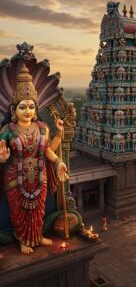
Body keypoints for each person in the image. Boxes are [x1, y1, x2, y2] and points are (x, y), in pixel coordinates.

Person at [0, 65, 68, 255]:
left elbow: (48, 150)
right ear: (14, 109)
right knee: (19, 211)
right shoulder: (7, 131)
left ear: (36, 108)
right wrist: (1, 157)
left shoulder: (43, 128)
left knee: (38, 210)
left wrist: (58, 161)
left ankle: (37, 236)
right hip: (16, 177)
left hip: (40, 176)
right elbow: (1, 151)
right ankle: (22, 240)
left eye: (31, 106)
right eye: (23, 107)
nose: (28, 111)